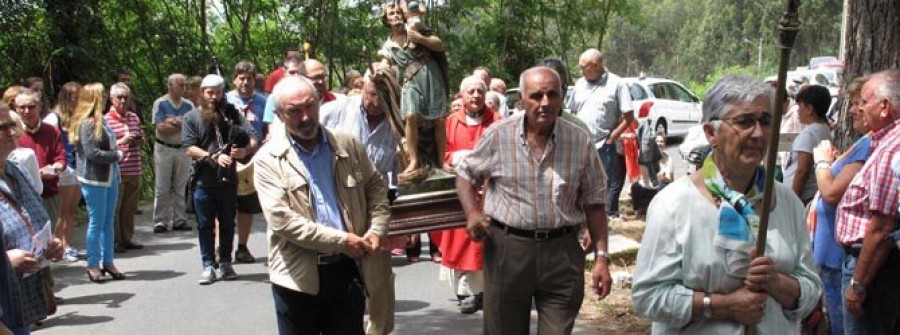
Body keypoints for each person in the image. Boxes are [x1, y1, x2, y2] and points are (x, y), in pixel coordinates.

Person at [632, 75, 823, 333]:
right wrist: (721, 305)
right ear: (711, 132)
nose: (758, 133)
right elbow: (648, 297)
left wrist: (777, 282)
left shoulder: (787, 203)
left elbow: (811, 287)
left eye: (765, 121)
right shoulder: (673, 205)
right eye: (744, 122)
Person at [456, 66, 612, 334]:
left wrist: (602, 257)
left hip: (562, 254)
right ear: (521, 100)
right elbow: (465, 174)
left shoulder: (579, 141)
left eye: (553, 94)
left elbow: (595, 202)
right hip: (508, 250)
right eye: (536, 95)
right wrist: (472, 213)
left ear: (562, 97)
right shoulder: (498, 135)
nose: (545, 103)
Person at [255, 75, 391, 334]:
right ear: (280, 114)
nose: (305, 117)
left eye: (309, 106)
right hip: (297, 278)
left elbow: (375, 188)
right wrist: (342, 241)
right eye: (294, 111)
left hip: (348, 269)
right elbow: (282, 220)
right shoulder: (268, 159)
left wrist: (377, 229)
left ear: (319, 102)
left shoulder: (348, 145)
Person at [319, 72, 400, 335]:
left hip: (377, 203)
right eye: (370, 93)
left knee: (378, 285)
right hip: (336, 200)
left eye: (382, 96)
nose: (375, 101)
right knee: (336, 281)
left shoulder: (399, 120)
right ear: (361, 88)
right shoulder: (335, 110)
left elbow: (406, 170)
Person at [835, 69, 900, 335]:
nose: (858, 109)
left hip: (872, 268)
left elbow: (882, 226)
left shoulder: (893, 148)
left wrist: (858, 285)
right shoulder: (883, 142)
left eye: (864, 101)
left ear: (884, 107)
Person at [808, 75, 871, 335]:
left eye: (861, 103)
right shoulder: (864, 142)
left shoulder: (870, 145)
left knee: (840, 327)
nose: (854, 109)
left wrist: (822, 162)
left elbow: (832, 193)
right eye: (854, 103)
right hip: (830, 257)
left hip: (838, 258)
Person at [183, 74, 257, 285]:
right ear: (202, 93)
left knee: (227, 224)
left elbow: (252, 137)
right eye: (209, 92)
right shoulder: (191, 117)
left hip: (228, 181)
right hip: (203, 182)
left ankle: (225, 262)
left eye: (217, 92)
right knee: (205, 225)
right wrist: (212, 156)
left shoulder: (232, 114)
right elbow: (189, 147)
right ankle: (208, 265)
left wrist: (245, 150)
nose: (213, 97)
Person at [0, 101, 65, 330]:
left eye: (11, 125)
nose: (11, 132)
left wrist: (52, 244)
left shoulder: (15, 170)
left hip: (21, 299)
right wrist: (5, 260)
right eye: (2, 127)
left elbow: (36, 218)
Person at [441, 76, 500, 314]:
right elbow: (442, 153)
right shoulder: (450, 122)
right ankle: (465, 292)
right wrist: (457, 157)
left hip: (489, 190)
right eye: (470, 91)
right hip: (460, 191)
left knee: (485, 241)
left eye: (479, 91)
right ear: (461, 95)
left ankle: (485, 290)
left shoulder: (497, 121)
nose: (475, 95)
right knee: (461, 242)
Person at [379, 2, 449, 183]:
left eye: (397, 12)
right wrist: (379, 73)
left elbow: (439, 45)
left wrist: (419, 39)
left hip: (430, 74)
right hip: (410, 81)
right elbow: (385, 64)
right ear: (386, 19)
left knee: (438, 119)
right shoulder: (388, 45)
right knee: (410, 116)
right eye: (391, 13)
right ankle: (414, 160)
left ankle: (441, 161)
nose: (395, 15)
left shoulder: (415, 27)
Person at [567, 48, 635, 219]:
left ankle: (608, 215)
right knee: (582, 181)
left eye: (584, 67)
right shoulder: (580, 84)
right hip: (582, 142)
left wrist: (612, 138)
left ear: (596, 66)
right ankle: (584, 215)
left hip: (605, 143)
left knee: (608, 181)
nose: (581, 71)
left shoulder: (617, 84)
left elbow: (629, 117)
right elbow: (573, 111)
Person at [71, 83, 127, 283]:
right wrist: (117, 154)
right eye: (101, 96)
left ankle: (108, 261)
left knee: (108, 221)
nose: (104, 99)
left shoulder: (101, 120)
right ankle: (93, 265)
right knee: (96, 222)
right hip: (94, 179)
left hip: (110, 177)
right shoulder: (86, 123)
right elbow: (92, 153)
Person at [225, 61, 267, 264]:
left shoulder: (263, 101)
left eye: (249, 79)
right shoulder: (224, 100)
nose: (245, 82)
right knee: (223, 204)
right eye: (241, 78)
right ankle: (220, 247)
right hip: (227, 157)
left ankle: (242, 246)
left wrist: (251, 150)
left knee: (246, 205)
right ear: (234, 79)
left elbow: (267, 130)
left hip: (254, 159)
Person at [13, 90, 66, 227]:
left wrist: (55, 168)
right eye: (22, 107)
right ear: (15, 109)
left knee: (48, 239)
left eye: (31, 106)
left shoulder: (52, 131)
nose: (26, 111)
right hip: (22, 197)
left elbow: (61, 158)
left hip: (49, 194)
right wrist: (38, 174)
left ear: (39, 107)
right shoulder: (11, 134)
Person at [151, 74, 195, 234]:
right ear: (170, 86)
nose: (183, 88)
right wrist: (181, 123)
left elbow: (192, 127)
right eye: (180, 85)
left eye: (184, 85)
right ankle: (160, 220)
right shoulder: (160, 103)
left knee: (181, 185)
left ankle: (180, 219)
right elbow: (161, 127)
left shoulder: (189, 105)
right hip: (164, 148)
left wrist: (174, 122)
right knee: (162, 186)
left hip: (182, 148)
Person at [104, 83, 144, 253]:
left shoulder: (134, 117)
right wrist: (122, 141)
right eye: (118, 97)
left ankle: (127, 238)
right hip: (117, 169)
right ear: (111, 99)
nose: (122, 100)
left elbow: (142, 138)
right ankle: (115, 241)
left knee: (129, 208)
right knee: (115, 207)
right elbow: (104, 146)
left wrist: (139, 140)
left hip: (134, 168)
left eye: (125, 97)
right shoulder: (106, 120)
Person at [48, 82, 83, 262]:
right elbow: (51, 144)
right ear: (67, 99)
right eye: (77, 98)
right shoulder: (54, 118)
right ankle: (57, 247)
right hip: (64, 169)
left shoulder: (76, 118)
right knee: (61, 212)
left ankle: (67, 245)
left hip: (77, 167)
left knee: (71, 211)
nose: (79, 102)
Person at [783, 85, 832, 204]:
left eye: (800, 107)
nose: (798, 111)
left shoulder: (808, 134)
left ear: (809, 109)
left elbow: (802, 171)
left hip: (803, 198)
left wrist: (793, 201)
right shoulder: (824, 130)